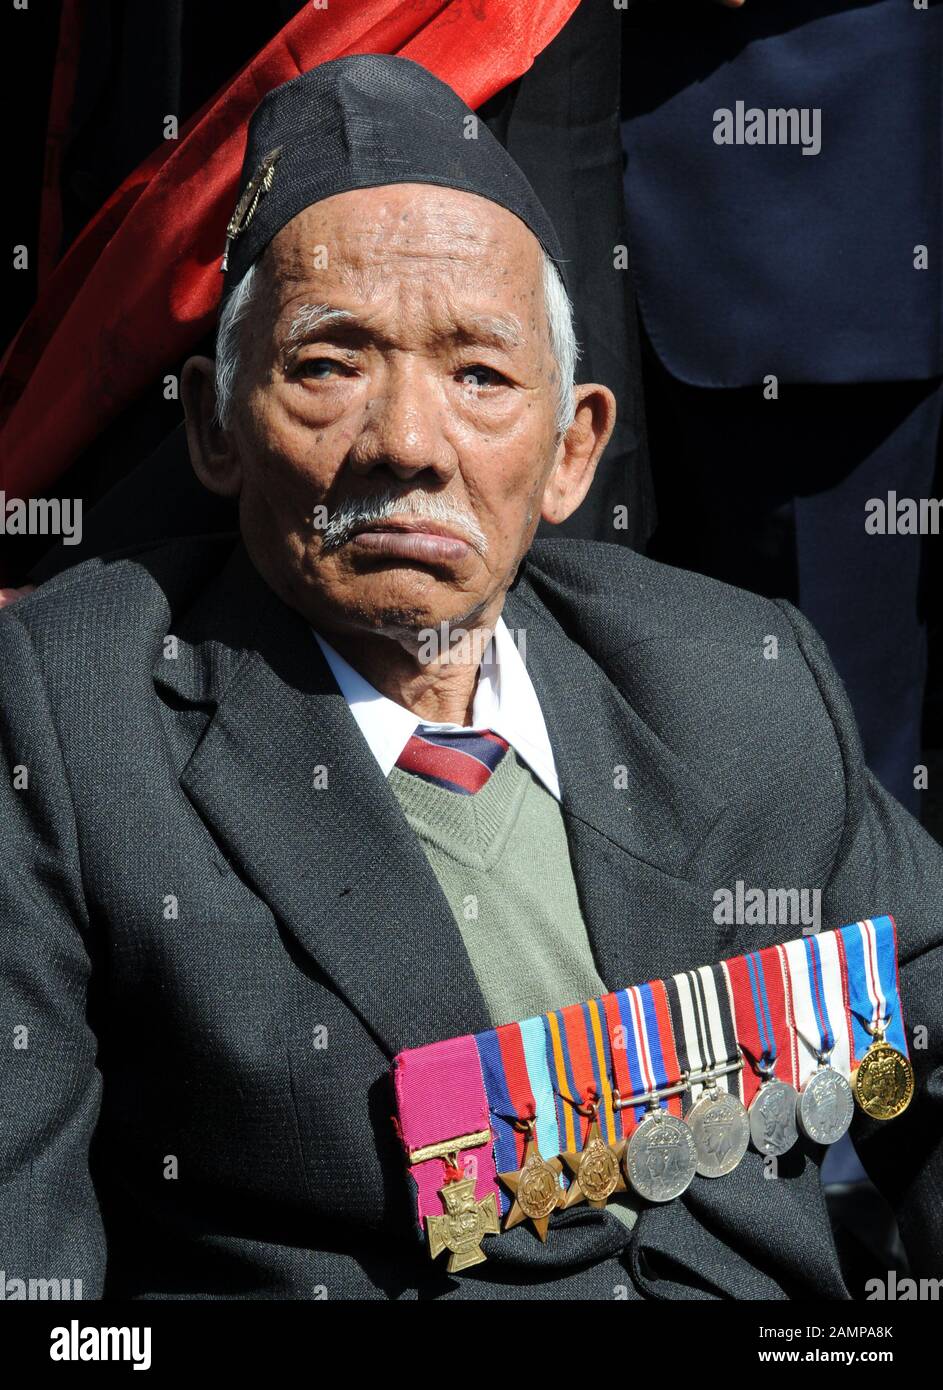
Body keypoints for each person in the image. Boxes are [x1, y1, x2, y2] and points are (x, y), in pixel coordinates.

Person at [1, 54, 940, 1300]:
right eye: (329, 363)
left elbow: (923, 1038)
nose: (405, 441)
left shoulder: (739, 679)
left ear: (571, 453)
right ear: (215, 428)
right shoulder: (72, 714)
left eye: (480, 375)